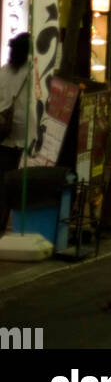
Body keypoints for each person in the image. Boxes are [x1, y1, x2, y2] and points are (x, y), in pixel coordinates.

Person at [0, 33, 30, 236]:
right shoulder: (32, 73)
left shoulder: (3, 72)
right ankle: (18, 223)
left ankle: (1, 221)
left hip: (2, 134)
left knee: (2, 182)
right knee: (19, 183)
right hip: (24, 136)